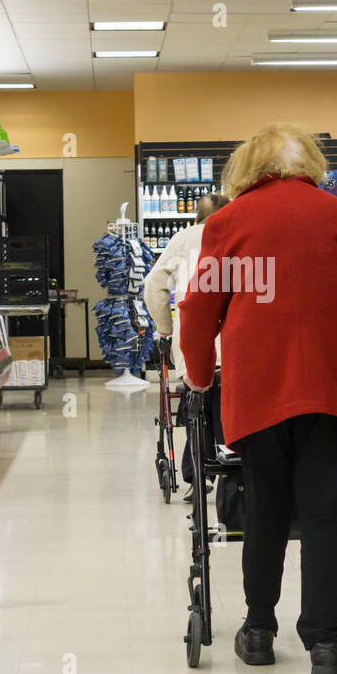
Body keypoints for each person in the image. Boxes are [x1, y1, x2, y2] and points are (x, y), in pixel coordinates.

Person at [178, 124, 337, 674]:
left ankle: (256, 631)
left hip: (257, 391)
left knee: (265, 506)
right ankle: (326, 644)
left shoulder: (226, 223)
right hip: (329, 387)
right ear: (311, 165)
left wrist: (199, 377)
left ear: (247, 169)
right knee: (325, 510)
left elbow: (199, 310)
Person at [144, 192, 229, 502]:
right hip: (236, 344)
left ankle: (197, 473)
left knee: (197, 404)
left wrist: (165, 329)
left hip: (192, 341)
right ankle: (235, 473)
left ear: (197, 216)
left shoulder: (183, 239)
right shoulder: (243, 234)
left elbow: (154, 285)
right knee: (230, 408)